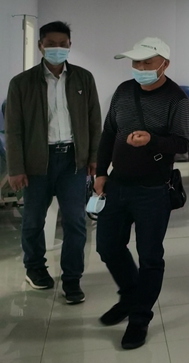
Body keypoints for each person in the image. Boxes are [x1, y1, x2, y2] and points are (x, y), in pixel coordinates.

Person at [94, 37, 189, 350]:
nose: (140, 67)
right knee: (107, 246)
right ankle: (130, 295)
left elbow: (183, 143)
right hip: (118, 184)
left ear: (164, 64)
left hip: (153, 189)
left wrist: (152, 140)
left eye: (147, 62)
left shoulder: (177, 99)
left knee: (150, 256)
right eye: (136, 62)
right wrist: (100, 172)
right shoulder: (123, 91)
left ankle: (139, 317)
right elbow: (109, 133)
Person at [5, 21, 102, 304]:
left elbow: (94, 122)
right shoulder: (21, 83)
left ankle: (72, 279)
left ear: (70, 45)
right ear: (40, 46)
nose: (57, 49)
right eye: (51, 44)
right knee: (33, 221)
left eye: (63, 44)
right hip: (37, 163)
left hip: (72, 161)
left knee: (75, 222)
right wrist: (15, 168)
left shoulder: (84, 79)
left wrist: (94, 157)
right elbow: (13, 130)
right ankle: (35, 269)